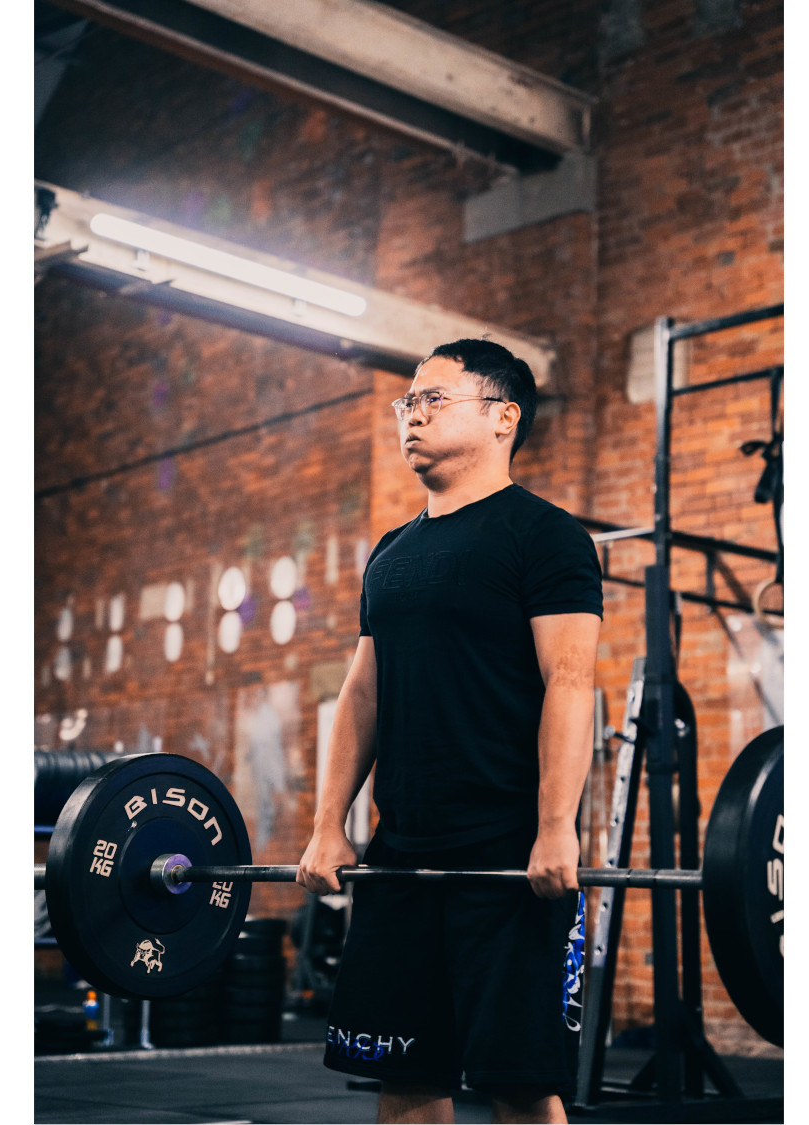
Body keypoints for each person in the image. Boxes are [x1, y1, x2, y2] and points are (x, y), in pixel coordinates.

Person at [297, 339, 603, 1124]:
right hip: (400, 854)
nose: (412, 415)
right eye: (408, 402)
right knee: (403, 1077)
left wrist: (555, 828)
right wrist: (330, 825)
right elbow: (362, 694)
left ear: (503, 417)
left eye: (434, 398)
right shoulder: (390, 552)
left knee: (522, 1084)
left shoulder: (546, 536)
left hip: (507, 852)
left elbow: (570, 681)